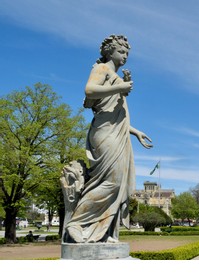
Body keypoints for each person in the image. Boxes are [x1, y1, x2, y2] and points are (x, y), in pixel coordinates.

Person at [64, 35, 152, 243]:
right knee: (111, 183)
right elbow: (89, 90)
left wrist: (135, 132)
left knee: (118, 183)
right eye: (121, 52)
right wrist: (120, 88)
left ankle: (102, 232)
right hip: (104, 134)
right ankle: (77, 223)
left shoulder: (116, 77)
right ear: (109, 52)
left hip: (118, 133)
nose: (125, 56)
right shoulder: (101, 69)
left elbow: (116, 116)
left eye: (127, 53)